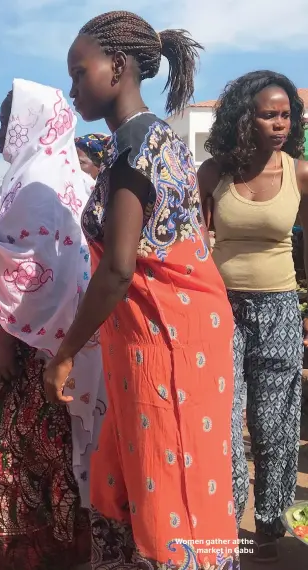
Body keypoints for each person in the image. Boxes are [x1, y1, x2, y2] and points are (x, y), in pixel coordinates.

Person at [43, 11, 241, 569]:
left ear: (120, 66)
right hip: (157, 335)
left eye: (79, 72)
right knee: (134, 476)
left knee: (170, 488)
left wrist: (62, 354)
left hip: (170, 342)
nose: (73, 87)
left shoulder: (136, 146)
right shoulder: (147, 139)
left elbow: (118, 269)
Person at [0, 79, 106, 570]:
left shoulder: (34, 184)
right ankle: (62, 547)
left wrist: (5, 343)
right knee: (60, 451)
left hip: (27, 347)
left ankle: (17, 553)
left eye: (8, 121)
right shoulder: (67, 175)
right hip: (66, 343)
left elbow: (26, 276)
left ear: (28, 124)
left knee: (10, 449)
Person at [199, 70, 308, 562]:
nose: (279, 124)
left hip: (281, 307)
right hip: (221, 308)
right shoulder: (215, 173)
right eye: (269, 114)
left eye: (286, 115)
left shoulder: (300, 173)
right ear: (247, 118)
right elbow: (196, 246)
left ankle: (269, 527)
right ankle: (226, 518)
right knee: (222, 420)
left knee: (275, 423)